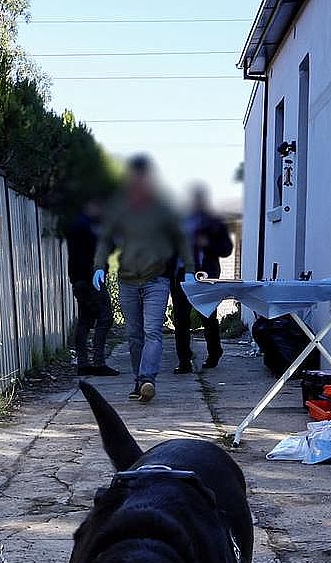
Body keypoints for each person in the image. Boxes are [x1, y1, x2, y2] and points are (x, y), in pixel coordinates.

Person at [93, 155, 188, 403]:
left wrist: (189, 267)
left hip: (157, 279)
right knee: (134, 335)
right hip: (127, 281)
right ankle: (139, 381)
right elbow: (105, 238)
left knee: (152, 331)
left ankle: (148, 379)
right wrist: (98, 266)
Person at [171, 185, 234, 373]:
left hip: (205, 276)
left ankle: (214, 352)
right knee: (181, 318)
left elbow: (226, 249)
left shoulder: (214, 223)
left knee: (208, 315)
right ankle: (184, 360)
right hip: (181, 275)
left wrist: (208, 244)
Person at [65, 201, 117, 376]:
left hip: (79, 279)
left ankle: (83, 363)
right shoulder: (88, 226)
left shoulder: (78, 224)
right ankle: (98, 362)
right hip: (90, 279)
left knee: (85, 322)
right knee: (105, 318)